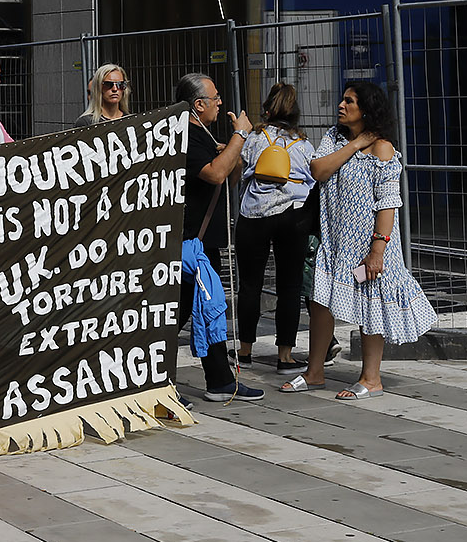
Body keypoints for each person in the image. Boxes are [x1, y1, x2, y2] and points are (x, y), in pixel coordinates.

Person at [282, 81, 436, 401]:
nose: (341, 105)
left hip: (369, 246)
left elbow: (388, 203)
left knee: (370, 305)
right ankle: (314, 372)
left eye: (349, 101)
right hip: (335, 242)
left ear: (366, 109)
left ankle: (371, 379)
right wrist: (354, 144)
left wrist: (377, 250)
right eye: (342, 99)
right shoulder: (335, 138)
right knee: (320, 303)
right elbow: (318, 170)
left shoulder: (382, 148)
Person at [178, 72, 264, 403]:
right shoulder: (187, 135)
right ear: (199, 104)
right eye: (215, 98)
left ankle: (220, 381)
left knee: (210, 308)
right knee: (176, 316)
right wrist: (240, 134)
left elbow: (230, 172)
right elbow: (215, 174)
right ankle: (152, 383)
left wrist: (233, 147)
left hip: (203, 243)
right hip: (189, 244)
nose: (220, 103)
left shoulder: (202, 134)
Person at [235, 83, 315, 373]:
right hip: (293, 217)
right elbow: (312, 178)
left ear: (267, 109)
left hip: (254, 214)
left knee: (250, 285)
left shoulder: (255, 138)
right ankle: (285, 357)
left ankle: (245, 352)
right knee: (290, 286)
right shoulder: (304, 145)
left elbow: (240, 169)